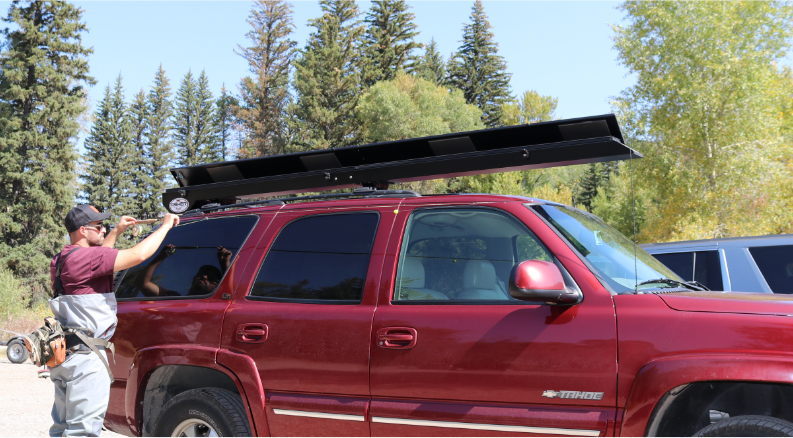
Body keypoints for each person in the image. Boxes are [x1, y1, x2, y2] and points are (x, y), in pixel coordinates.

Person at [48, 204, 179, 438]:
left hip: (67, 355)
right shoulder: (86, 258)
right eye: (98, 226)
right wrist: (165, 225)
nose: (102, 230)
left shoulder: (63, 258)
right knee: (82, 432)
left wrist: (116, 232)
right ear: (81, 230)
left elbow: (97, 261)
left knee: (63, 427)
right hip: (87, 359)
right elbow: (138, 255)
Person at [135, 244, 232, 297]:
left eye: (211, 278)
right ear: (194, 278)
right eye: (202, 273)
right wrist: (161, 257)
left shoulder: (215, 304)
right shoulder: (174, 297)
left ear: (218, 286)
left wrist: (225, 264)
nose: (204, 276)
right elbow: (142, 283)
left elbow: (231, 291)